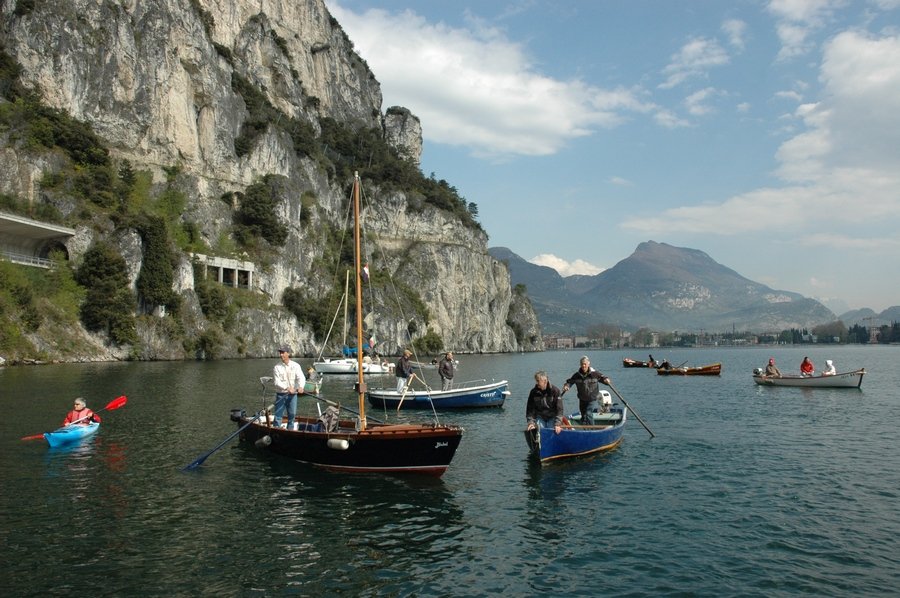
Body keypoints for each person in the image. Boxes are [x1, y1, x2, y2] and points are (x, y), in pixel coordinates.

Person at [562, 356, 611, 425]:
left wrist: (606, 380)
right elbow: (570, 382)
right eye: (582, 364)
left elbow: (603, 378)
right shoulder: (576, 375)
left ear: (588, 364)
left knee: (588, 413)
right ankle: (585, 430)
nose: (583, 366)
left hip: (592, 399)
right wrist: (566, 386)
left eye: (585, 364)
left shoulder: (595, 374)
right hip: (582, 399)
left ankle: (592, 430)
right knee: (583, 416)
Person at [272, 345, 305, 429]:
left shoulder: (296, 366)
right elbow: (277, 382)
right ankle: (276, 430)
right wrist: (287, 388)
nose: (281, 355)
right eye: (280, 353)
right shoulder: (276, 367)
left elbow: (301, 377)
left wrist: (301, 387)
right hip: (281, 395)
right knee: (278, 416)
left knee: (292, 416)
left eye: (283, 353)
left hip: (293, 395)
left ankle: (290, 431)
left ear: (288, 353)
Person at [525, 371, 563, 435]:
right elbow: (530, 410)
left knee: (552, 432)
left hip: (552, 416)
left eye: (538, 381)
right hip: (540, 417)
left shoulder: (555, 391)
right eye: (536, 381)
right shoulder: (533, 392)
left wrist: (558, 424)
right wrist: (531, 423)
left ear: (545, 381)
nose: (537, 383)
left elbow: (559, 409)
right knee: (539, 432)